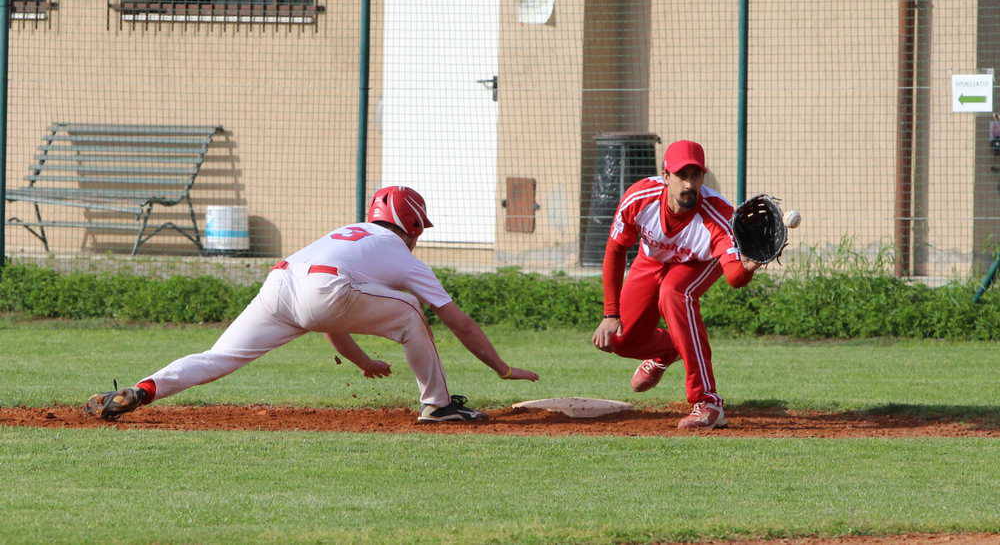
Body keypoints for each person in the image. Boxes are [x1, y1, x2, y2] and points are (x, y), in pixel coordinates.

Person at [85, 186, 539, 423]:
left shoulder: (347, 234)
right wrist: (500, 367)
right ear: (414, 225)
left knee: (218, 357)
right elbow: (456, 320)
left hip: (281, 282)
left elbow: (325, 313)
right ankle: (438, 406)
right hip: (324, 290)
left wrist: (361, 361)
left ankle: (143, 390)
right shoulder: (398, 252)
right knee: (411, 311)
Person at [591, 140, 761, 429]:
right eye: (682, 175)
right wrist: (610, 314)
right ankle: (667, 350)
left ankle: (707, 402)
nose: (688, 184)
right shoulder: (640, 198)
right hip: (652, 260)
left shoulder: (718, 216)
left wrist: (750, 265)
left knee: (674, 292)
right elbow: (615, 250)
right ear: (666, 175)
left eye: (695, 176)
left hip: (697, 263)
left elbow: (734, 278)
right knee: (620, 340)